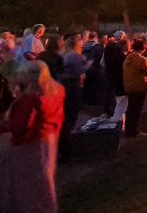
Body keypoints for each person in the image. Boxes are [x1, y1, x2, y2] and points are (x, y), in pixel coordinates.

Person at [0, 60, 65, 213]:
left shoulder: (29, 99)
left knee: (27, 183)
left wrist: (4, 125)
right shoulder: (57, 90)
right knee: (44, 179)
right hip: (48, 139)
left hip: (28, 144)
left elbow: (19, 126)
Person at [57, 34, 90, 157]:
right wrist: (88, 64)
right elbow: (79, 71)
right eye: (80, 41)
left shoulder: (62, 53)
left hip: (62, 86)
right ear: (75, 43)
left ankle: (64, 142)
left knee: (65, 114)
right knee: (71, 113)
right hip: (71, 86)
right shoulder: (74, 55)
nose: (82, 43)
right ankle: (69, 143)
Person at [122, 38, 147, 138]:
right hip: (138, 87)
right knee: (136, 110)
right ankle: (133, 131)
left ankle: (128, 129)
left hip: (129, 86)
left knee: (130, 109)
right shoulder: (140, 59)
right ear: (142, 48)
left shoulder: (128, 57)